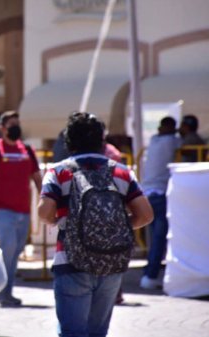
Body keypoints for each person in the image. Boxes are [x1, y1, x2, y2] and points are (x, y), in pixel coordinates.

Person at [38, 112, 153, 337]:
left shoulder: (59, 171)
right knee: (98, 333)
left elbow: (44, 211)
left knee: (72, 332)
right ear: (102, 140)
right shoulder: (121, 171)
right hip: (110, 262)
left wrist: (58, 221)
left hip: (71, 260)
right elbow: (146, 215)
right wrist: (116, 227)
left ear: (69, 140)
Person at [0, 110, 41, 306]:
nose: (16, 127)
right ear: (2, 128)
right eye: (12, 124)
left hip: (23, 211)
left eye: (17, 123)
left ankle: (7, 291)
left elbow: (37, 178)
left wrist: (46, 200)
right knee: (8, 249)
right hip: (1, 210)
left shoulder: (27, 150)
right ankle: (2, 292)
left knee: (15, 253)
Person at [139, 116, 181, 289]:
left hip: (147, 193)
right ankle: (151, 274)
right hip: (160, 193)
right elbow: (183, 141)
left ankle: (149, 271)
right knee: (159, 237)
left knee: (153, 237)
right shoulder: (172, 141)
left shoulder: (154, 140)